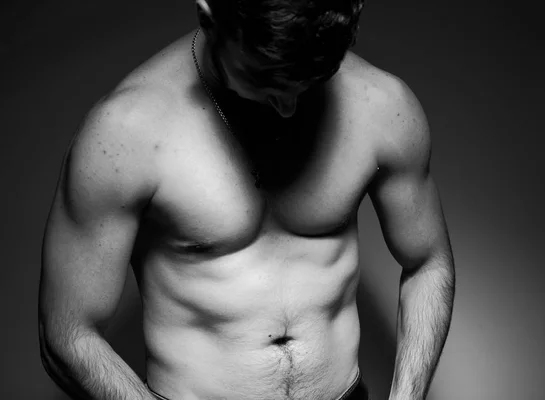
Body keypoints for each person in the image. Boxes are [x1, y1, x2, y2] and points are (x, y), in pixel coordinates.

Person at [38, 0, 456, 399]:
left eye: (310, 81)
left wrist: (407, 394)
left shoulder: (382, 107)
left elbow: (428, 263)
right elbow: (68, 333)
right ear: (209, 17)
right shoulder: (126, 133)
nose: (289, 108)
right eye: (265, 80)